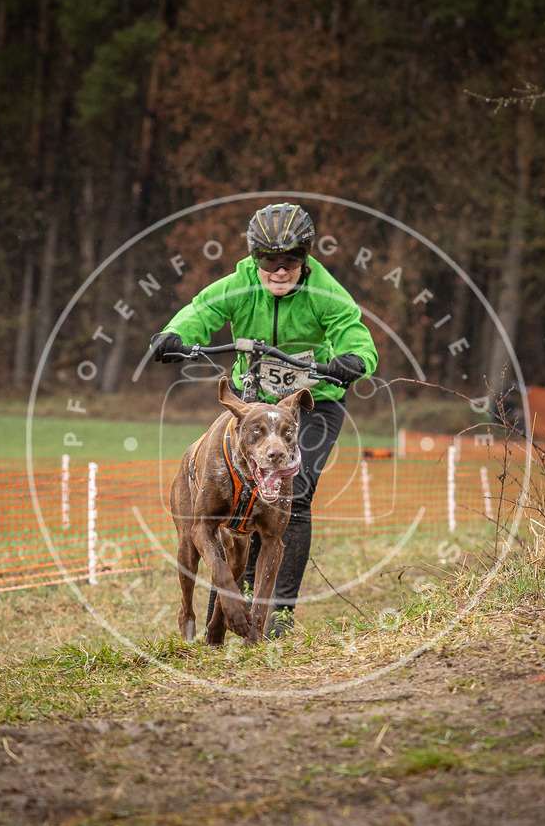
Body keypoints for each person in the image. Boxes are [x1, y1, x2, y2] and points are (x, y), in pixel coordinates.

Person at [151, 202, 378, 637]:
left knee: (295, 495)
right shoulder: (239, 284)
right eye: (269, 262)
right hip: (252, 406)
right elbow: (202, 310)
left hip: (311, 405)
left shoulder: (326, 292)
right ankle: (225, 605)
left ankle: (277, 616)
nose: (279, 271)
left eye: (290, 261)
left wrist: (354, 359)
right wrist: (176, 334)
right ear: (255, 260)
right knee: (229, 495)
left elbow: (353, 329)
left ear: (305, 259)